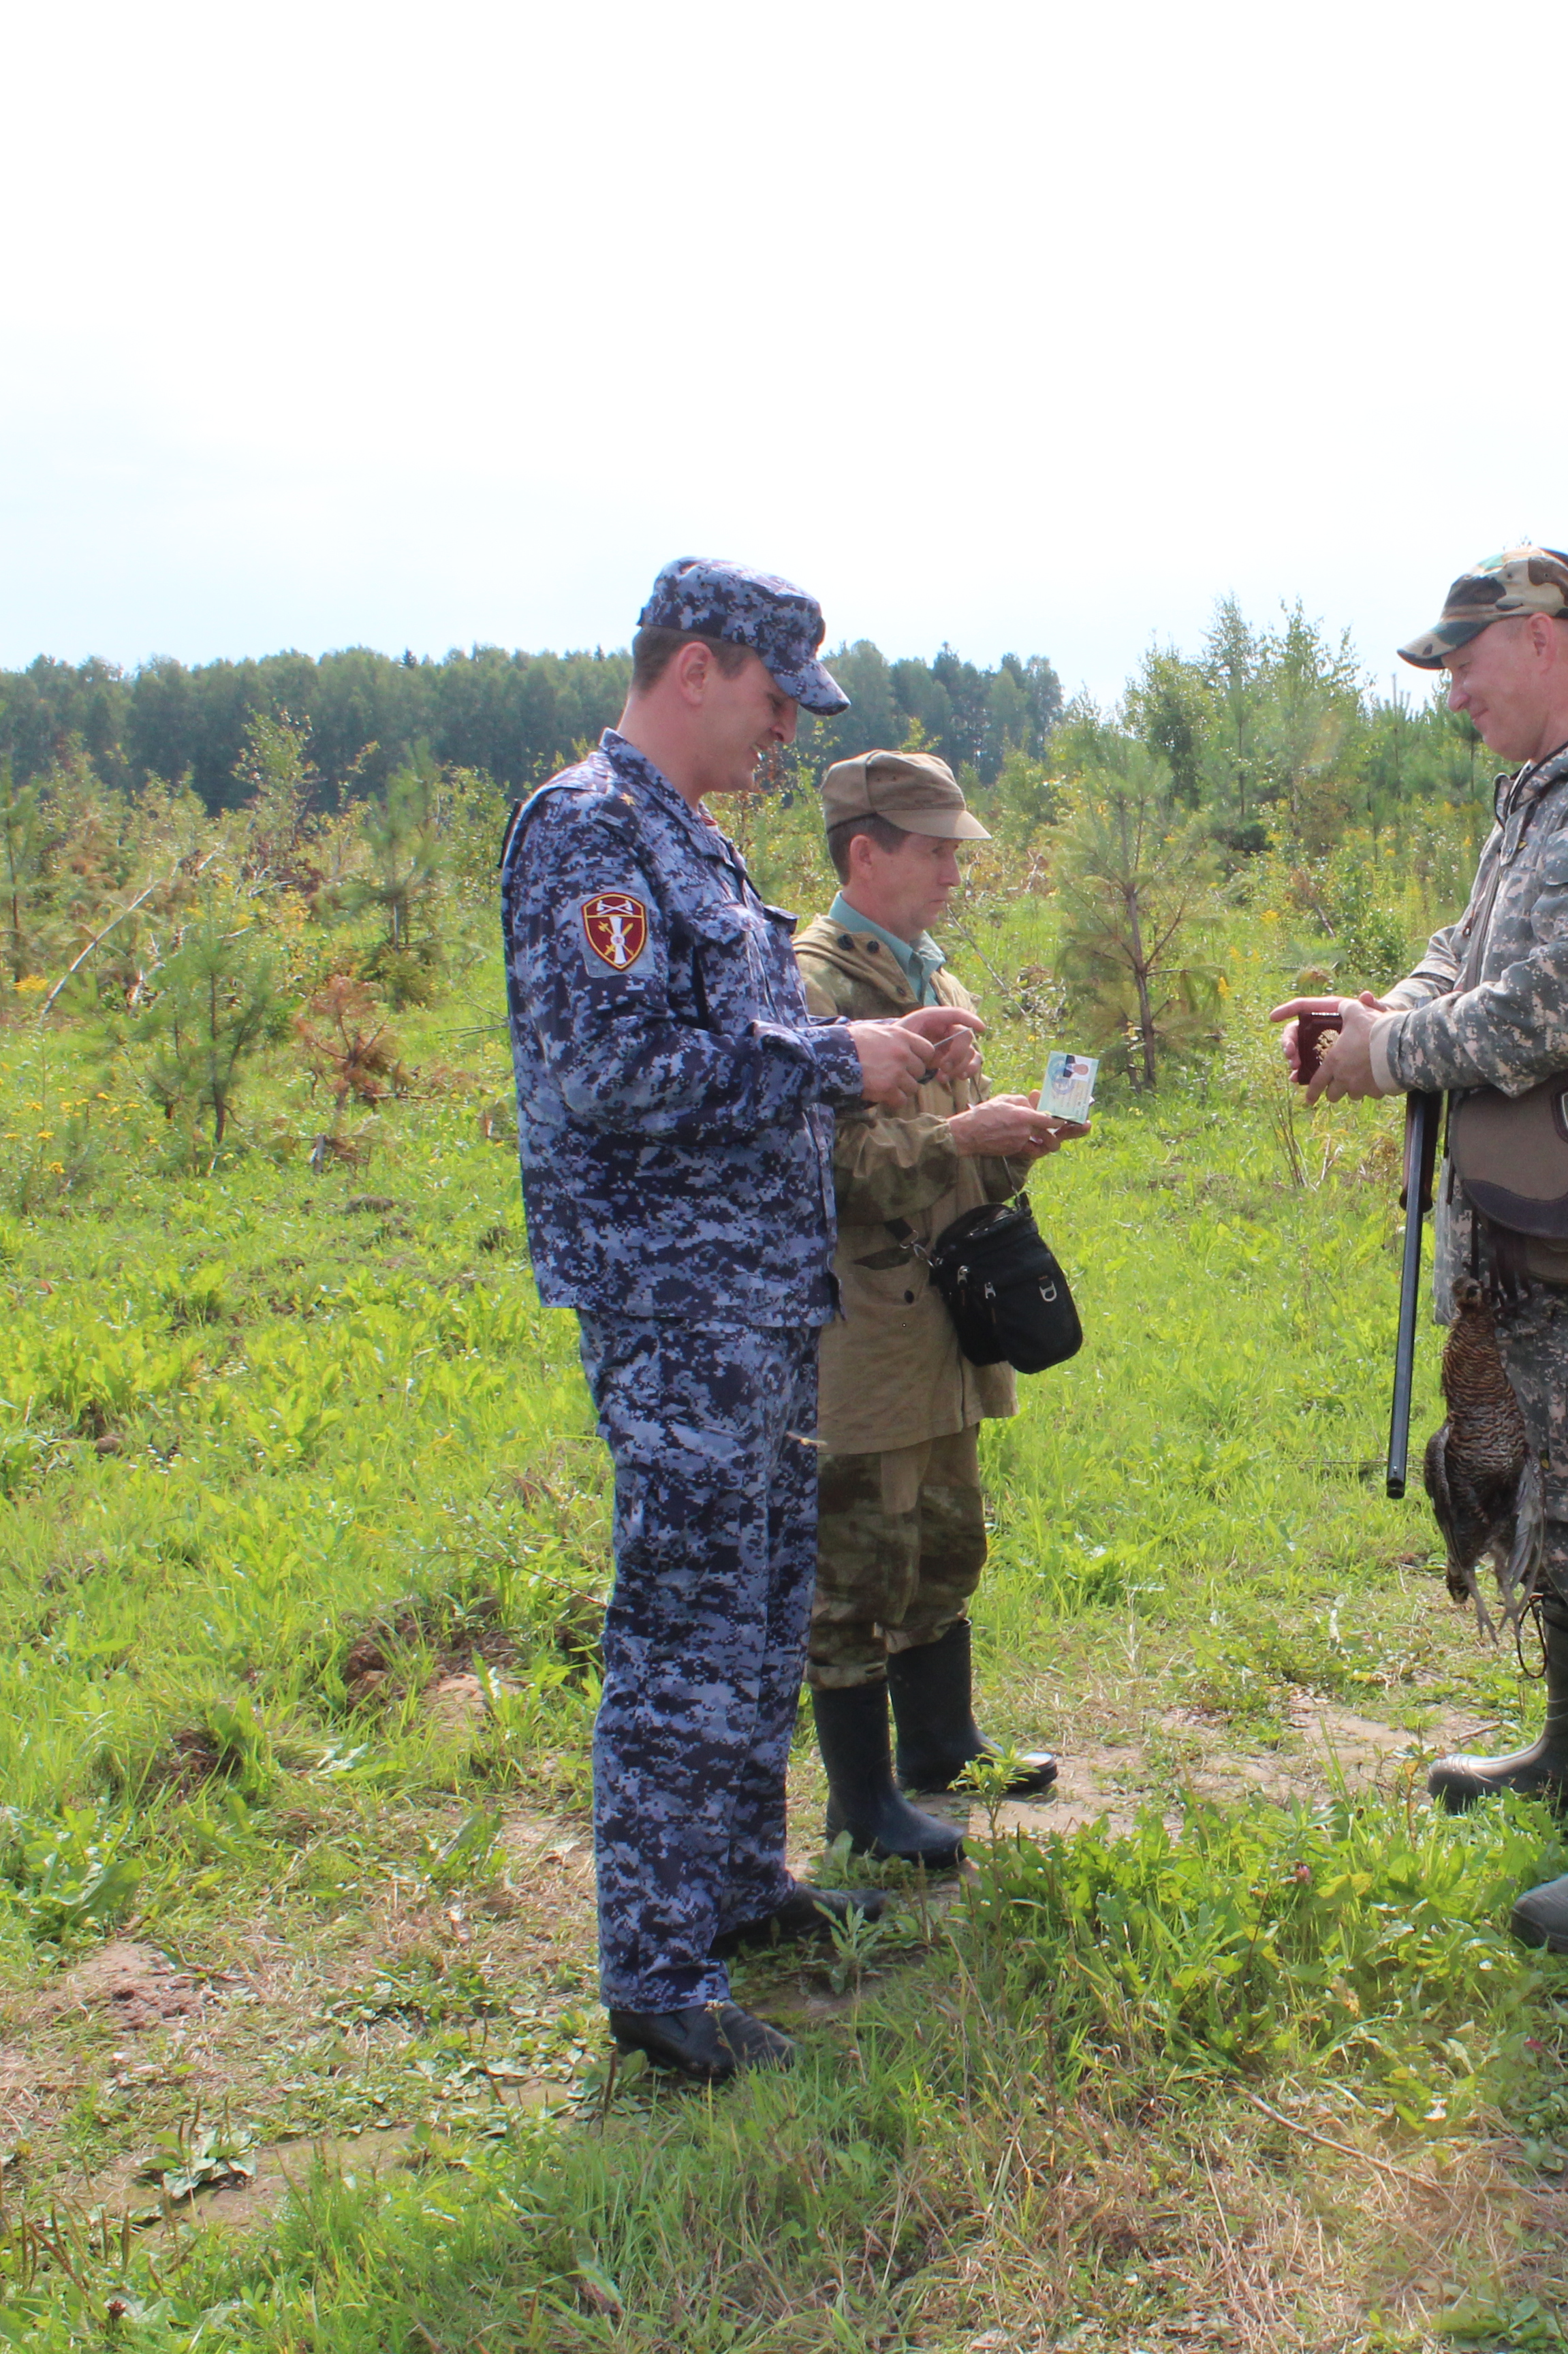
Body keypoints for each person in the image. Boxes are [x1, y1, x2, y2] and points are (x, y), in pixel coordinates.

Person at [501, 558, 984, 2084]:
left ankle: (732, 1888)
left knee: (760, 1610)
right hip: (678, 1305)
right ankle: (655, 1971)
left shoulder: (691, 839)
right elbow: (618, 1077)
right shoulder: (591, 829)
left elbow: (738, 1033)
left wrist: (858, 1047)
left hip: (765, 1297)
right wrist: (840, 1062)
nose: (782, 735)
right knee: (682, 1634)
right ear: (697, 667)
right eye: (775, 701)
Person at [1270, 546, 1568, 1953]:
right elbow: (1466, 953)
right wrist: (1381, 1009)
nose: (1453, 690)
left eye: (1464, 661)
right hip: (1534, 1213)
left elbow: (1544, 1012)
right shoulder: (1546, 794)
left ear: (1541, 640)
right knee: (1544, 1489)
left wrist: (1385, 1055)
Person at [793, 749, 1072, 1868]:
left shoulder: (935, 981)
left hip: (943, 1316)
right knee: (859, 1554)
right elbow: (821, 1167)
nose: (958, 866)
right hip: (861, 1325)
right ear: (867, 852)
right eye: (936, 847)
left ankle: (942, 1745)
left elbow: (949, 1167)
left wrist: (1008, 1141)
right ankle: (860, 1807)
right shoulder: (809, 990)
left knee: (945, 1537)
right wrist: (962, 1135)